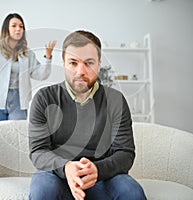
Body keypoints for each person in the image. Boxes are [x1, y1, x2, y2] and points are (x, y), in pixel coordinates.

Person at [28, 30, 146, 200]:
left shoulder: (116, 100)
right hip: (58, 176)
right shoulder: (44, 98)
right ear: (63, 64)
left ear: (99, 64)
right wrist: (66, 167)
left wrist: (97, 170)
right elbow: (38, 151)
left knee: (132, 192)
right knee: (43, 191)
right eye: (73, 63)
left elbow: (125, 153)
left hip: (104, 176)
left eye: (89, 63)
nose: (80, 71)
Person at [0, 13, 56, 122]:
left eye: (21, 26)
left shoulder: (27, 53)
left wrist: (48, 57)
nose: (18, 29)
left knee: (15, 136)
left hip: (19, 101)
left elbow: (41, 75)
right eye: (14, 26)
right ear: (6, 29)